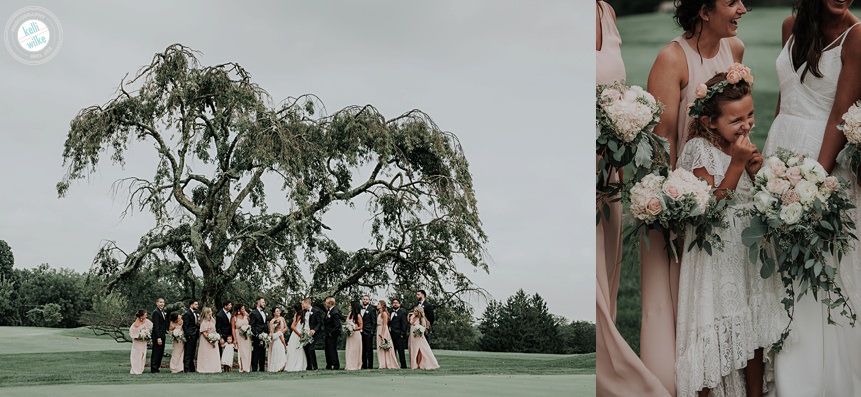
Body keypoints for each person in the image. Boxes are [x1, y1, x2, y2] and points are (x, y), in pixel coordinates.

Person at [643, 1, 747, 393]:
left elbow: (737, 119)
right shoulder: (672, 58)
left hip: (726, 196)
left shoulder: (735, 51)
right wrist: (674, 211)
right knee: (677, 300)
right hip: (683, 203)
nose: (742, 8)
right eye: (731, 2)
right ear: (704, 10)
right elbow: (661, 143)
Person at [762, 1, 861, 395]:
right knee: (780, 268)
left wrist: (816, 180)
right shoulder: (791, 26)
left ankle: (820, 382)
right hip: (780, 151)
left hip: (823, 161)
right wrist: (769, 165)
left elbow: (842, 112)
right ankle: (786, 372)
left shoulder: (856, 36)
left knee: (823, 273)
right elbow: (787, 99)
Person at [674, 69, 787, 397]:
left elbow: (759, 198)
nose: (747, 124)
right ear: (710, 122)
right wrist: (737, 166)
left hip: (749, 254)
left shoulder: (743, 146)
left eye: (750, 115)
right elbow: (705, 213)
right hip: (717, 257)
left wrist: (756, 172)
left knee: (751, 329)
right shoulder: (699, 150)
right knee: (716, 331)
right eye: (736, 119)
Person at [197, 307, 222, 373]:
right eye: (210, 311)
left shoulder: (213, 320)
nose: (211, 312)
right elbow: (204, 332)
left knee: (213, 354)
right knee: (206, 354)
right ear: (207, 313)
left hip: (213, 337)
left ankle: (214, 368)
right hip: (206, 340)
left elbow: (214, 330)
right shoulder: (203, 322)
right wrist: (210, 340)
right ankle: (205, 368)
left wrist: (215, 337)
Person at [376, 300, 399, 369]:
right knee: (380, 347)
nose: (377, 305)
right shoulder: (378, 314)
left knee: (385, 346)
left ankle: (388, 363)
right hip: (378, 329)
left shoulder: (384, 314)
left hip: (383, 330)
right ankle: (382, 363)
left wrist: (382, 335)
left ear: (382, 305)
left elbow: (384, 324)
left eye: (378, 304)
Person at [285, 303, 308, 372]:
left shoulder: (301, 314)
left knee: (299, 349)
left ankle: (300, 365)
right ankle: (294, 365)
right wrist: (299, 334)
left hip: (300, 332)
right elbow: (292, 326)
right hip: (296, 334)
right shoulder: (298, 315)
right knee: (295, 349)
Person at [129, 309, 152, 374]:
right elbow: (132, 331)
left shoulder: (147, 322)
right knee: (135, 355)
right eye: (145, 315)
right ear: (141, 316)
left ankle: (140, 369)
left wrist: (147, 335)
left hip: (143, 342)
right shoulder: (134, 324)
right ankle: (135, 369)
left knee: (142, 355)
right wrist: (138, 336)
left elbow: (152, 328)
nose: (146, 316)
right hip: (137, 342)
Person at [302, 297, 322, 370]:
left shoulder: (316, 312)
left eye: (303, 304)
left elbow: (319, 323)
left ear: (307, 303)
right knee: (306, 349)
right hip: (305, 334)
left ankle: (315, 366)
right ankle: (309, 366)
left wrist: (314, 330)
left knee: (311, 349)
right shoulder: (304, 312)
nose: (303, 305)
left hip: (313, 333)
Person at [388, 298, 409, 369]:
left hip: (399, 334)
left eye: (396, 303)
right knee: (392, 351)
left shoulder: (402, 312)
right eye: (394, 303)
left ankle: (403, 365)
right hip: (391, 334)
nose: (395, 304)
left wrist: (402, 333)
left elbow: (404, 324)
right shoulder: (390, 312)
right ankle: (393, 364)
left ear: (399, 304)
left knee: (401, 351)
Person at [231, 303, 252, 372]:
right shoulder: (234, 317)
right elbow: (233, 328)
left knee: (247, 351)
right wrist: (234, 339)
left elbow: (249, 323)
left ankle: (247, 367)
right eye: (242, 309)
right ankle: (242, 367)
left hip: (247, 336)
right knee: (242, 351)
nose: (244, 310)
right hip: (239, 335)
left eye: (244, 309)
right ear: (238, 310)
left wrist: (246, 315)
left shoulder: (246, 316)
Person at [249, 296, 268, 372]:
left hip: (264, 336)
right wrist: (256, 334)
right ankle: (254, 369)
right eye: (263, 302)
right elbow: (252, 325)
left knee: (263, 353)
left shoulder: (264, 312)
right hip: (257, 336)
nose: (264, 304)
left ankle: (262, 369)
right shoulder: (253, 313)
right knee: (256, 353)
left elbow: (265, 324)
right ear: (258, 302)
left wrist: (266, 334)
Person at [323, 296, 342, 370]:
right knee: (327, 349)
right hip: (327, 334)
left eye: (326, 302)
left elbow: (337, 325)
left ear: (330, 303)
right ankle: (329, 364)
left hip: (332, 335)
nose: (325, 304)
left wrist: (331, 332)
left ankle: (335, 365)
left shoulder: (335, 312)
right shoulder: (329, 311)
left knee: (332, 350)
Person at [344, 301, 364, 371]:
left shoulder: (358, 316)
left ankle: (355, 365)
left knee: (354, 350)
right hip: (350, 335)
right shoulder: (349, 314)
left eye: (350, 305)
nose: (349, 306)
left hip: (356, 335)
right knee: (349, 349)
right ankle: (349, 364)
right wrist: (347, 328)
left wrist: (353, 328)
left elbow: (361, 326)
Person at [181, 299, 200, 372]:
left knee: (192, 352)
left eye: (197, 304)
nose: (197, 306)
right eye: (195, 304)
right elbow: (185, 326)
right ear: (191, 305)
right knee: (188, 352)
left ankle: (192, 368)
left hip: (195, 335)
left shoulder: (195, 313)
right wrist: (188, 335)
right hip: (190, 336)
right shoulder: (187, 314)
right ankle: (186, 368)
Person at [267, 307, 287, 372]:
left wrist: (280, 332)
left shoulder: (282, 319)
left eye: (279, 311)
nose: (279, 312)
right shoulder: (272, 321)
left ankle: (283, 366)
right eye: (277, 311)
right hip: (276, 337)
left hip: (280, 335)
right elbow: (271, 331)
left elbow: (285, 328)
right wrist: (271, 336)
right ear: (274, 313)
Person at [150, 297, 167, 373]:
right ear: (157, 303)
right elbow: (156, 326)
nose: (162, 304)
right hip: (158, 336)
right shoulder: (156, 312)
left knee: (160, 352)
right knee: (156, 352)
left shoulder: (162, 312)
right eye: (160, 302)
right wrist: (158, 337)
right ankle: (154, 368)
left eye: (163, 302)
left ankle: (157, 367)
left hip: (163, 335)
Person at [360, 294, 377, 369]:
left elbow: (374, 321)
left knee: (369, 349)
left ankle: (370, 365)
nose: (365, 300)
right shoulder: (360, 309)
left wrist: (372, 331)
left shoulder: (372, 309)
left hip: (368, 332)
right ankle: (364, 364)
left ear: (369, 301)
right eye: (364, 299)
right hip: (361, 332)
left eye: (366, 299)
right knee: (363, 349)